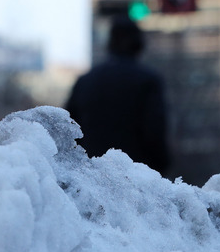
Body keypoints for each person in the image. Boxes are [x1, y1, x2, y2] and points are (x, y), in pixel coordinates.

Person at [66, 16, 171, 174]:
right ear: (139, 45)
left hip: (91, 175)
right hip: (135, 176)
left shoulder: (85, 81)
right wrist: (162, 164)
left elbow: (68, 130)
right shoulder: (148, 80)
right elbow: (154, 132)